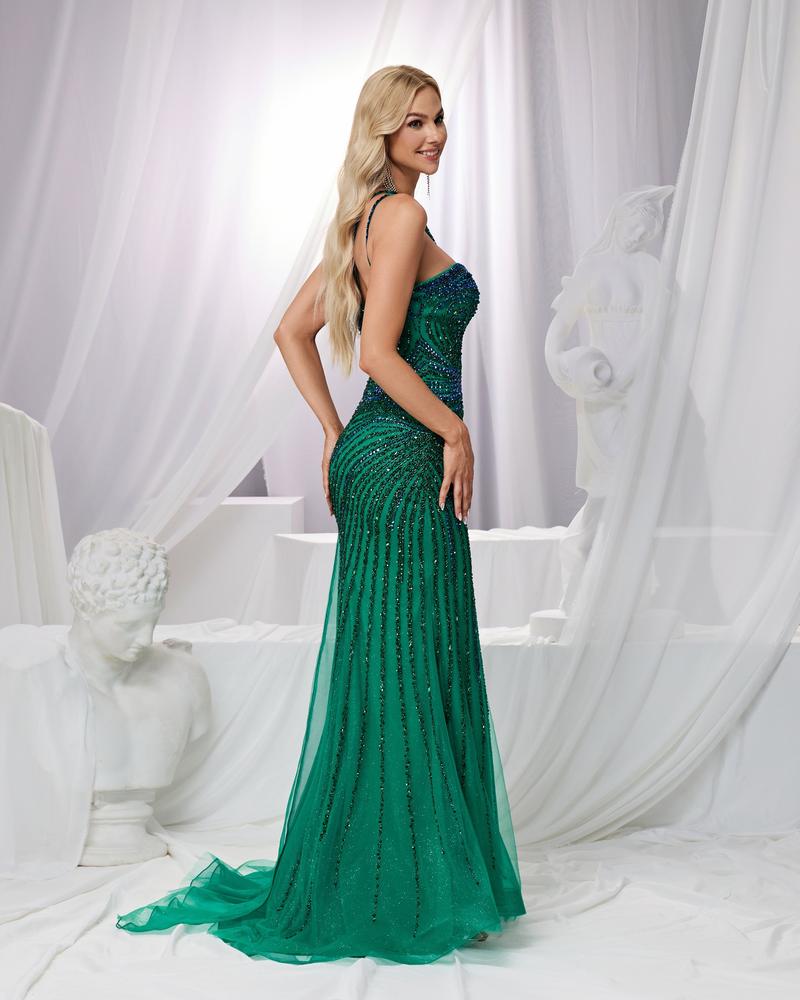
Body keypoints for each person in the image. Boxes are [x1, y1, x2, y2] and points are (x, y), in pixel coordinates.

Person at [116, 64, 526, 965]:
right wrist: (455, 430)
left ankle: (399, 875)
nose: (434, 135)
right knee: (415, 659)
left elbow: (291, 330)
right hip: (407, 458)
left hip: (375, 455)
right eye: (414, 122)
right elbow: (376, 352)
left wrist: (338, 434)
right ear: (381, 132)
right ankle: (420, 888)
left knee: (395, 660)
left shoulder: (366, 220)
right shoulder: (401, 216)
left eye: (439, 118)